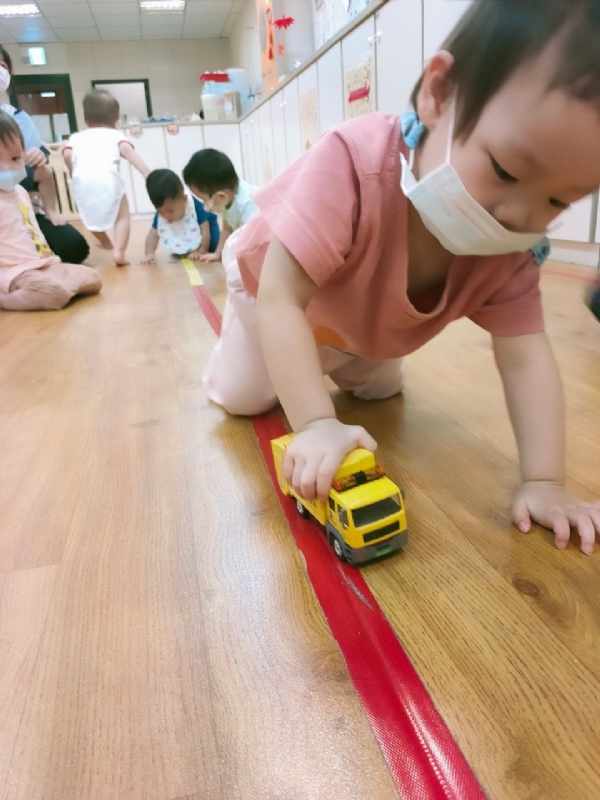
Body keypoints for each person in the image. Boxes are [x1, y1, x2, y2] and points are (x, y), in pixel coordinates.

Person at [204, 0, 600, 555]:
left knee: (380, 392)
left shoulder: (510, 252)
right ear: (439, 93)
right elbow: (281, 295)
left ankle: (334, 359)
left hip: (361, 323)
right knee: (245, 398)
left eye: (557, 200)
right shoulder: (352, 161)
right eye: (506, 170)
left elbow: (526, 358)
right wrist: (315, 423)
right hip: (268, 292)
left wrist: (545, 481)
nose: (519, 215)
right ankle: (252, 354)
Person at [0, 111, 101, 311]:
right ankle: (6, 298)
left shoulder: (20, 191)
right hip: (13, 271)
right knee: (55, 294)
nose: (8, 168)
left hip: (42, 263)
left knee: (93, 278)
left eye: (15, 158)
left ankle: (52, 288)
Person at [0, 43, 90, 265]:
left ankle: (48, 214)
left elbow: (38, 160)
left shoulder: (17, 117)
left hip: (19, 202)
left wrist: (37, 157)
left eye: (2, 65)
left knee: (74, 247)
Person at [63, 89, 150, 266]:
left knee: (88, 216)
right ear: (115, 120)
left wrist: (73, 172)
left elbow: (66, 154)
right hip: (109, 181)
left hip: (83, 182)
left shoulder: (77, 137)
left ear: (86, 120)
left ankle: (105, 242)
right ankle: (119, 252)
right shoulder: (116, 135)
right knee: (122, 216)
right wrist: (146, 173)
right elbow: (128, 151)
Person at [182, 148, 258, 263]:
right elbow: (227, 229)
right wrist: (218, 254)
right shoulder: (227, 199)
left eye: (205, 201)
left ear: (221, 196)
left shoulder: (249, 203)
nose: (204, 205)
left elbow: (254, 241)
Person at [141, 168, 220, 265]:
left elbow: (205, 231)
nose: (166, 215)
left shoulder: (194, 206)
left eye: (170, 211)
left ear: (184, 199)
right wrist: (149, 253)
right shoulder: (163, 212)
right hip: (191, 243)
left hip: (209, 236)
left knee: (216, 244)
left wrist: (202, 250)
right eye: (160, 211)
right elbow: (152, 235)